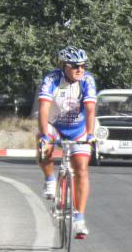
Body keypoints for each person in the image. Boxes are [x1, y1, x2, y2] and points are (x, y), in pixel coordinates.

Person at [36, 46, 98, 239]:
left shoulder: (87, 80)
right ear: (64, 66)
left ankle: (79, 219)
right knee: (43, 144)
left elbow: (90, 109)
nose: (80, 69)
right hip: (55, 124)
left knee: (81, 169)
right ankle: (49, 179)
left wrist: (89, 135)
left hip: (78, 128)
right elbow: (44, 108)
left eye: (83, 65)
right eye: (75, 66)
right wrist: (45, 134)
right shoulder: (52, 79)